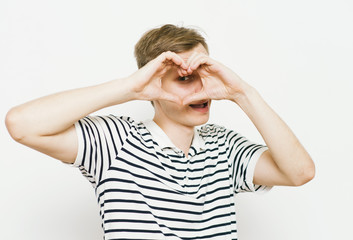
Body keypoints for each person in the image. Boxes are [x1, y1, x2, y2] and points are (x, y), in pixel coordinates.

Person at [5, 24, 315, 240]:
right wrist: (130, 87)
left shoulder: (226, 146)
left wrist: (242, 92)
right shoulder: (116, 141)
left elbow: (299, 173)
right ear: (152, 84)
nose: (202, 87)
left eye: (204, 73)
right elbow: (21, 124)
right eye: (184, 79)